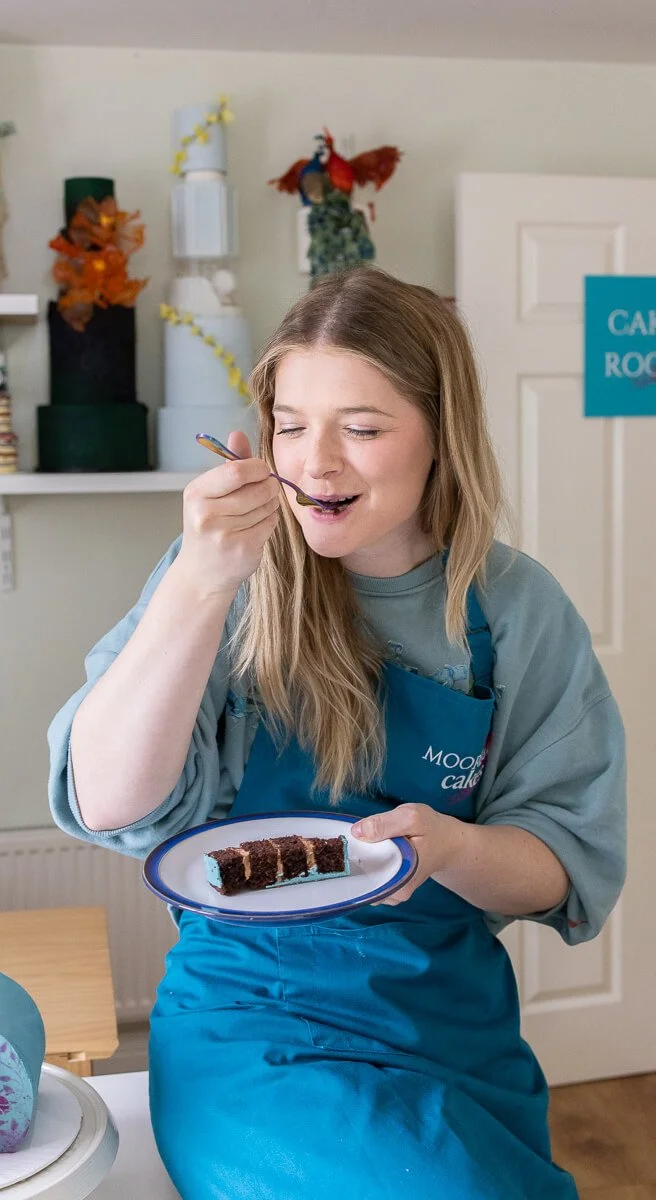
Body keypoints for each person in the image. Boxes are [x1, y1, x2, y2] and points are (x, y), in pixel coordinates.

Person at [48, 266, 625, 1200]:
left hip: (449, 1026)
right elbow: (110, 799)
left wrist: (452, 849)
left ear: (443, 434)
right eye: (289, 424)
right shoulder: (219, 577)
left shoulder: (515, 611)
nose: (315, 463)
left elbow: (567, 862)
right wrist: (201, 581)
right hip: (250, 1021)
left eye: (361, 429)